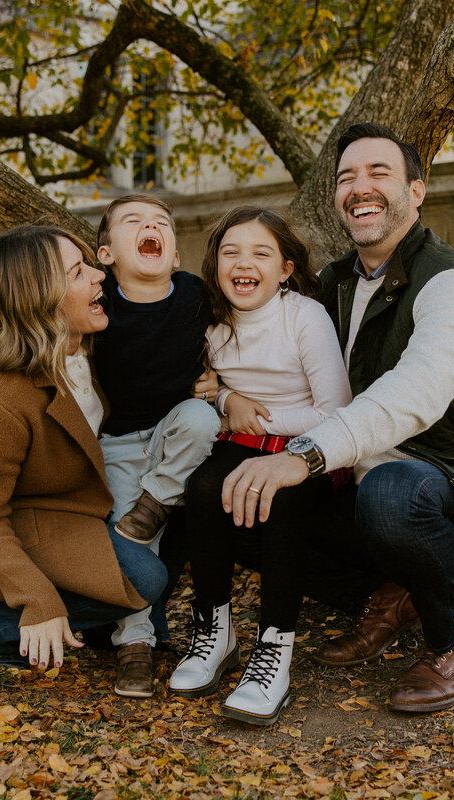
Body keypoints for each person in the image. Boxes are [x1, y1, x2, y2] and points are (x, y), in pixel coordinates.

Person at [221, 123, 454, 713]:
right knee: (240, 504)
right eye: (346, 178)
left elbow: (415, 394)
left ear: (417, 190)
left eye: (378, 173)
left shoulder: (453, 284)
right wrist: (218, 395)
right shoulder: (333, 282)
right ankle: (395, 590)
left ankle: (453, 636)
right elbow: (268, 356)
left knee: (392, 496)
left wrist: (303, 455)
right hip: (354, 480)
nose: (359, 187)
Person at [0, 225, 168, 679]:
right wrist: (36, 599)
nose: (100, 277)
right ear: (41, 299)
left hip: (64, 508)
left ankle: (104, 619)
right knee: (146, 577)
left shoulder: (85, 350)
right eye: (79, 272)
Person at [166, 207, 352, 725]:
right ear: (215, 264)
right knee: (203, 486)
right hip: (241, 437)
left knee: (281, 499)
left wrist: (254, 417)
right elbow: (203, 389)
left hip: (308, 445)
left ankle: (274, 652)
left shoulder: (304, 316)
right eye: (230, 252)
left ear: (286, 268)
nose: (243, 263)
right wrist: (226, 399)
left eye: (260, 253)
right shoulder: (211, 321)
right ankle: (214, 632)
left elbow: (336, 410)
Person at [90, 194, 222, 697]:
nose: (150, 226)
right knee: (131, 544)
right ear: (106, 255)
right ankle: (135, 642)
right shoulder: (99, 302)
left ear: (174, 254)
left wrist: (218, 384)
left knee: (199, 418)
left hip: (176, 431)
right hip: (120, 440)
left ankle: (159, 499)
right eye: (134, 222)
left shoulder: (194, 295)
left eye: (160, 223)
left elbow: (237, 342)